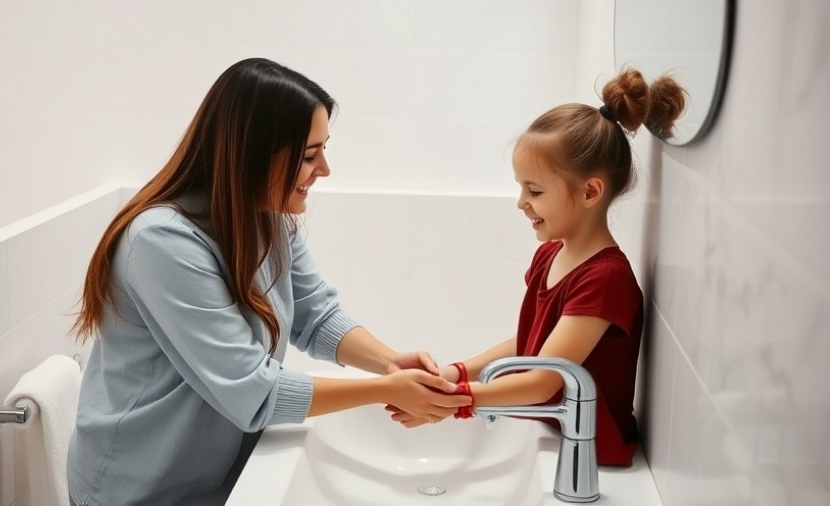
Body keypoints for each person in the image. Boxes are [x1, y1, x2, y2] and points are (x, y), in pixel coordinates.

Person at [66, 57, 471, 506]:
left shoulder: (268, 219)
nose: (325, 170)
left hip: (214, 473)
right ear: (253, 154)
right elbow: (253, 391)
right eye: (309, 156)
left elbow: (316, 316)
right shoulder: (162, 242)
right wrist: (384, 391)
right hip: (139, 487)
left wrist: (390, 363)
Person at [387, 68, 686, 467]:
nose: (521, 202)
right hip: (553, 428)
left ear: (590, 192)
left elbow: (546, 379)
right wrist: (455, 372)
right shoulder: (551, 254)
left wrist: (459, 401)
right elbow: (530, 344)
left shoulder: (605, 278)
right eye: (520, 187)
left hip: (593, 451)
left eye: (535, 190)